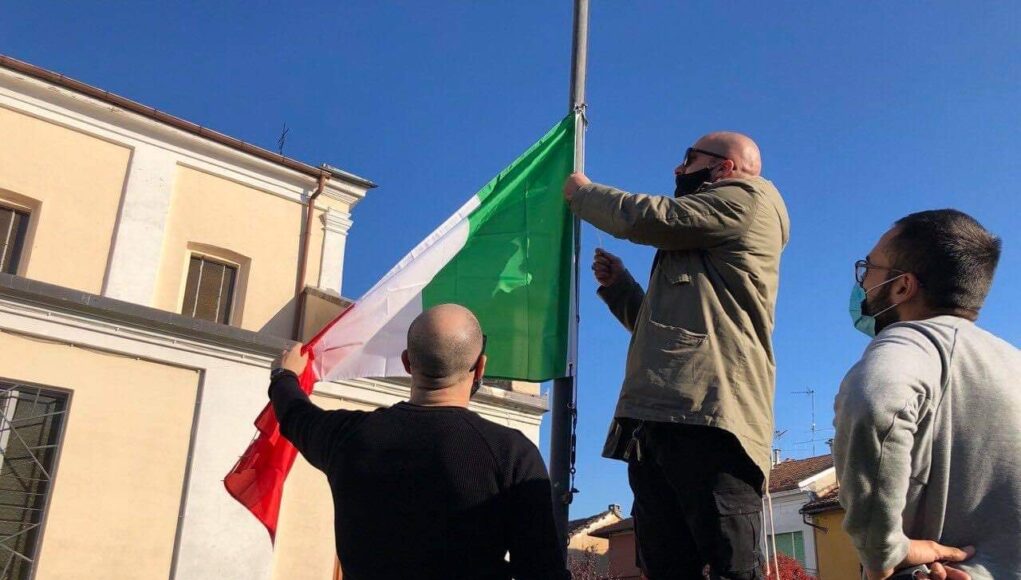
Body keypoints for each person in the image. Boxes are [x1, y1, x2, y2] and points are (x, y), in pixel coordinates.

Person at [563, 132, 790, 579]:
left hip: (710, 417)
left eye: (689, 158)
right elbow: (668, 334)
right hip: (664, 420)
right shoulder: (703, 247)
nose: (678, 169)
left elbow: (653, 218)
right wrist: (621, 289)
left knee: (733, 568)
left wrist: (583, 195)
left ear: (726, 166)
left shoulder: (749, 197)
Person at [269, 304, 570, 580]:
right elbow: (542, 571)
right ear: (480, 368)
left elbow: (294, 414)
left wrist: (284, 374)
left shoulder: (347, 435)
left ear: (406, 362)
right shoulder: (512, 454)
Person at [834, 209, 1019, 580]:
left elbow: (874, 402)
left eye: (867, 268)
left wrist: (884, 551)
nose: (862, 283)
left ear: (902, 286)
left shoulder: (913, 341)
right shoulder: (1012, 361)